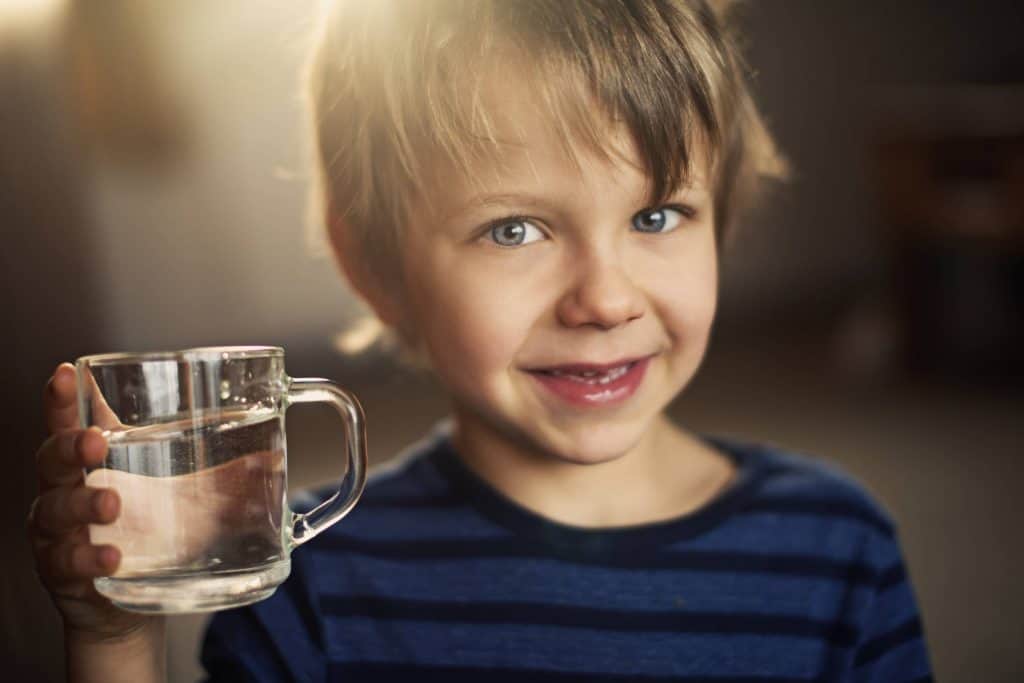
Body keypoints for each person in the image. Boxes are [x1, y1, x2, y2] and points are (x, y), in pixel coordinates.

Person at [29, 1, 934, 680]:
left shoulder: (837, 549)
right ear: (374, 265)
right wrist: (113, 636)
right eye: (514, 231)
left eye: (658, 213)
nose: (606, 298)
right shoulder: (313, 587)